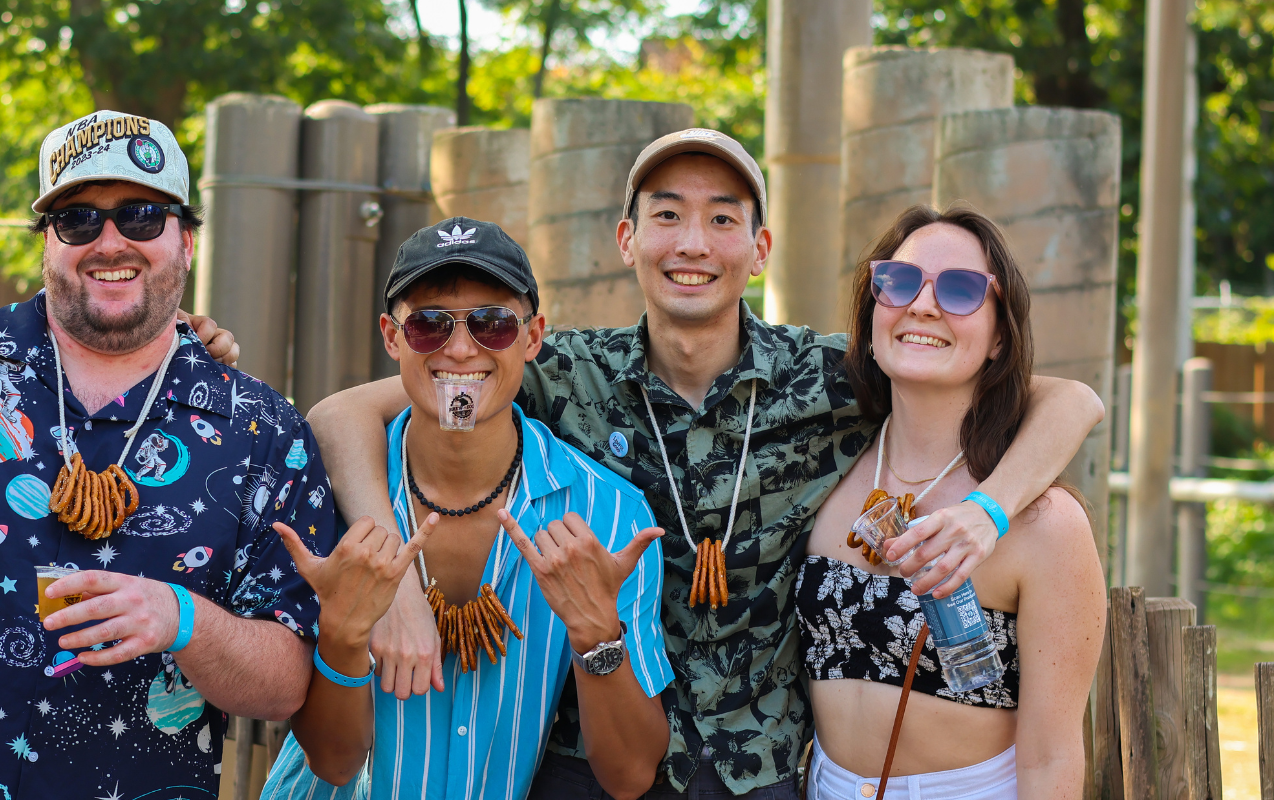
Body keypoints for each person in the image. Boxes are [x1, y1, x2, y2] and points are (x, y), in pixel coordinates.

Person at [308, 129, 1106, 796]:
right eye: (667, 216)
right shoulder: (560, 369)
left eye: (723, 220)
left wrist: (992, 507)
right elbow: (344, 411)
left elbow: (1066, 398)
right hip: (594, 761)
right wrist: (399, 587)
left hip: (757, 772)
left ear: (759, 249)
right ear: (628, 240)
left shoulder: (833, 377)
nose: (693, 243)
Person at [0, 110, 335, 799]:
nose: (109, 241)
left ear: (185, 240)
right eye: (78, 220)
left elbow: (286, 683)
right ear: (47, 241)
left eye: (142, 217)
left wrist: (185, 621)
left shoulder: (265, 434)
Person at [262, 218, 675, 799]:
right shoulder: (325, 492)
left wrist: (597, 634)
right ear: (391, 336)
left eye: (493, 323)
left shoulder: (609, 516)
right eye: (429, 325)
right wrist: (344, 637)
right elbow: (333, 763)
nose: (460, 348)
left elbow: (630, 777)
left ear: (532, 338)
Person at [796, 205, 1105, 798]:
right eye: (900, 280)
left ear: (998, 337)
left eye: (962, 290)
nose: (924, 305)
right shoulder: (821, 470)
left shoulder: (1044, 524)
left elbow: (1052, 759)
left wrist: (989, 511)